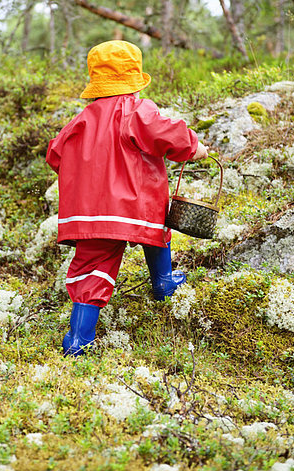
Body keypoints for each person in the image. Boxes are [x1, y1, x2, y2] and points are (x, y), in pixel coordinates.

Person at [46, 40, 208, 356]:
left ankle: (78, 340)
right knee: (157, 229)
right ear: (133, 79)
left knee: (92, 267)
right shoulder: (136, 109)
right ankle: (162, 283)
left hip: (89, 213)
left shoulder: (81, 119)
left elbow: (56, 155)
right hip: (135, 205)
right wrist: (194, 147)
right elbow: (166, 133)